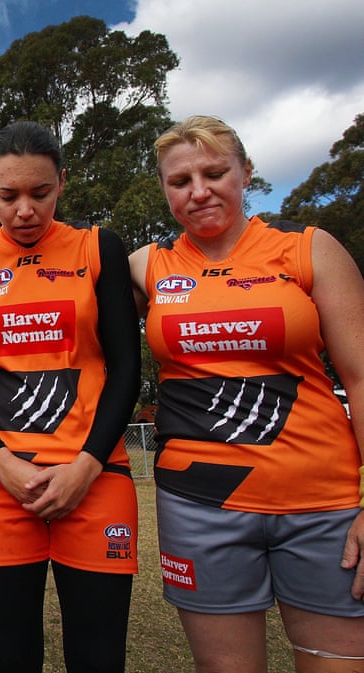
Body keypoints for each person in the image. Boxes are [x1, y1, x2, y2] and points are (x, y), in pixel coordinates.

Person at [130, 115, 364, 672]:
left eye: (215, 173)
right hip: (199, 504)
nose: (199, 191)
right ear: (164, 189)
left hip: (322, 503)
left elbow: (359, 376)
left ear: (247, 172)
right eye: (180, 181)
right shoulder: (147, 265)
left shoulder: (310, 249)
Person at [0, 120, 141, 673]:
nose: (24, 210)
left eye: (40, 193)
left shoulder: (99, 247)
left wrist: (87, 465)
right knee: (12, 656)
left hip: (96, 478)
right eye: (8, 196)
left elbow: (127, 369)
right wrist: (0, 463)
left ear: (62, 184)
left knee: (98, 658)